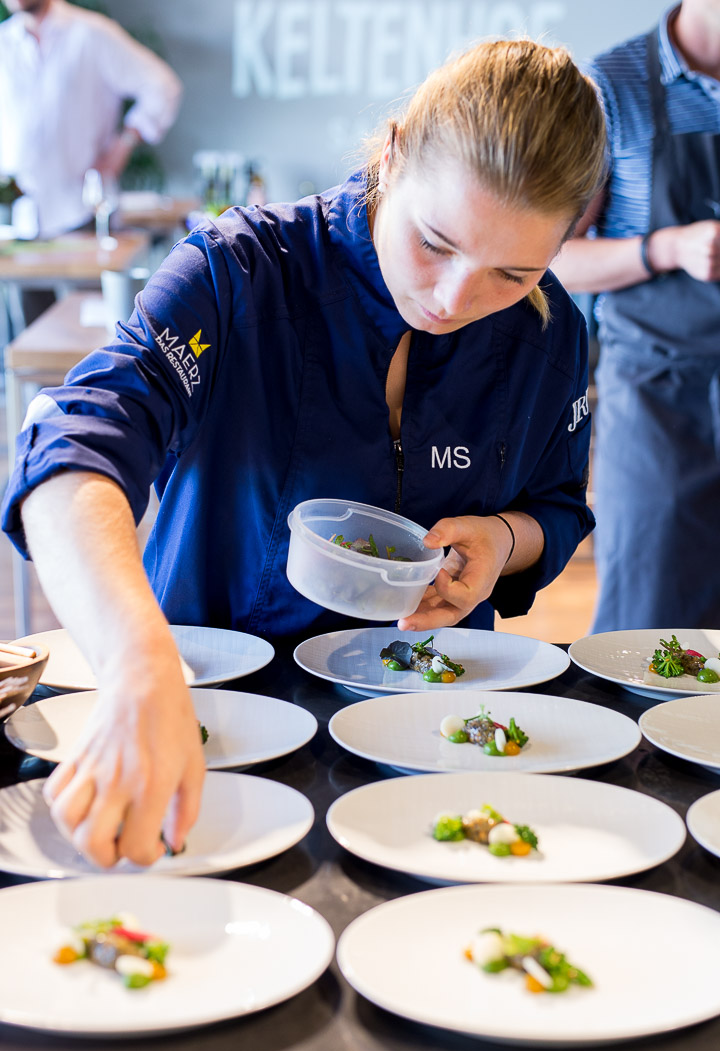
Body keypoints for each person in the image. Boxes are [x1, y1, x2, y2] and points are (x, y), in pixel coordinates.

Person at [1, 39, 606, 868]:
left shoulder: (551, 332)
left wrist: (505, 540)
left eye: (511, 272)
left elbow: (560, 507)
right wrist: (137, 667)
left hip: (436, 741)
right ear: (391, 157)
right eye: (435, 242)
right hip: (203, 728)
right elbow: (73, 445)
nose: (453, 300)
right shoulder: (240, 274)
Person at [552, 0, 720, 632]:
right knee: (653, 625)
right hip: (657, 400)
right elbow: (553, 256)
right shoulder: (612, 85)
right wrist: (666, 248)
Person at [0, 0, 182, 240]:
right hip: (16, 222)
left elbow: (162, 86)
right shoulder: (4, 42)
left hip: (82, 213)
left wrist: (123, 145)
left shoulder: (91, 33)